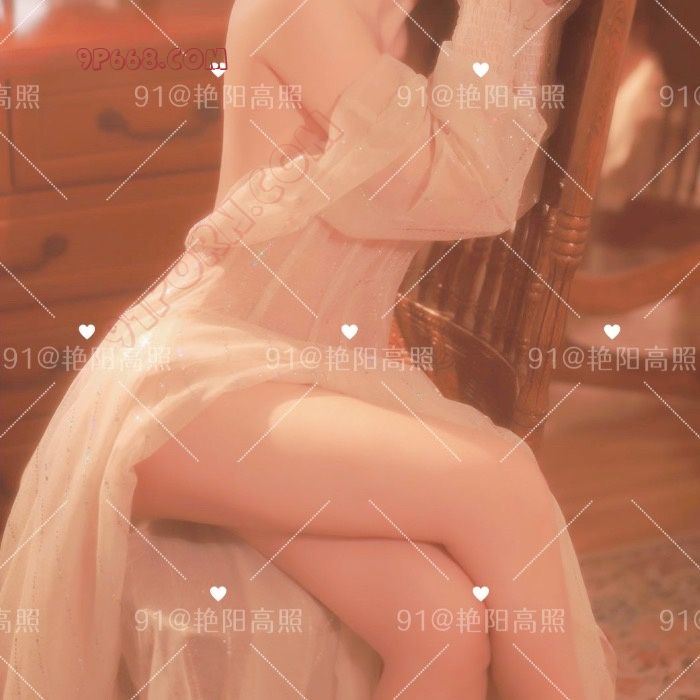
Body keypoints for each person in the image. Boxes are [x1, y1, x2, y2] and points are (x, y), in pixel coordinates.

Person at [0, 1, 616, 698]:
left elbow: (494, 178)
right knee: (502, 483)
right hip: (189, 387)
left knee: (440, 625)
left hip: (310, 385)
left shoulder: (412, 20)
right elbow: (469, 188)